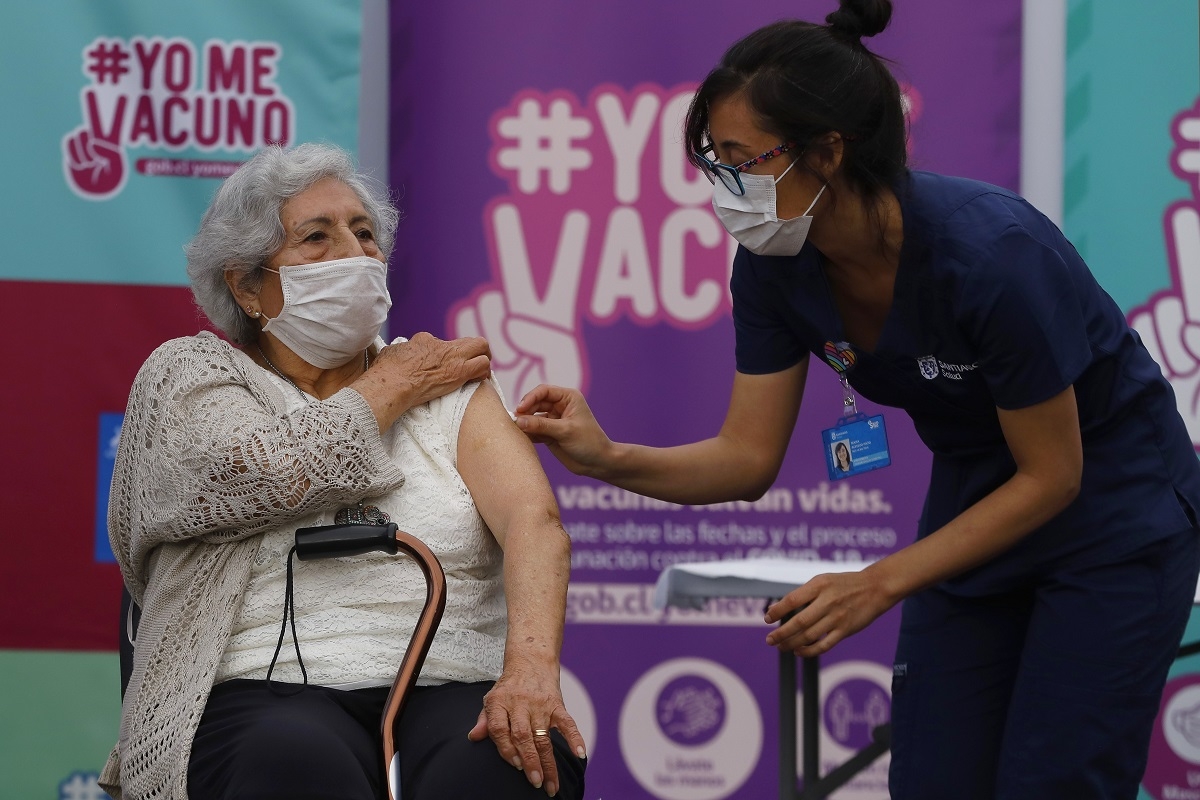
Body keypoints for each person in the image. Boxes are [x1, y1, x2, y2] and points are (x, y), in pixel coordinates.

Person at [513, 2, 1200, 797]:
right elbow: (745, 459)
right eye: (713, 161)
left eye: (741, 160)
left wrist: (878, 581)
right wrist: (605, 457)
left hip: (1112, 515)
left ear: (828, 152)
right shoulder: (774, 262)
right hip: (982, 500)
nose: (723, 187)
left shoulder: (993, 256)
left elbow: (1054, 476)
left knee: (1054, 782)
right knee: (934, 778)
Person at [100, 143, 586, 800]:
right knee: (294, 767)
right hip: (256, 689)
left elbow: (536, 522)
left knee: (508, 765)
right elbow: (253, 475)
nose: (354, 254)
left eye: (364, 235)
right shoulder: (191, 375)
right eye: (316, 238)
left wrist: (529, 670)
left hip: (452, 678)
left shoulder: (448, 387)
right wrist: (391, 386)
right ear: (246, 285)